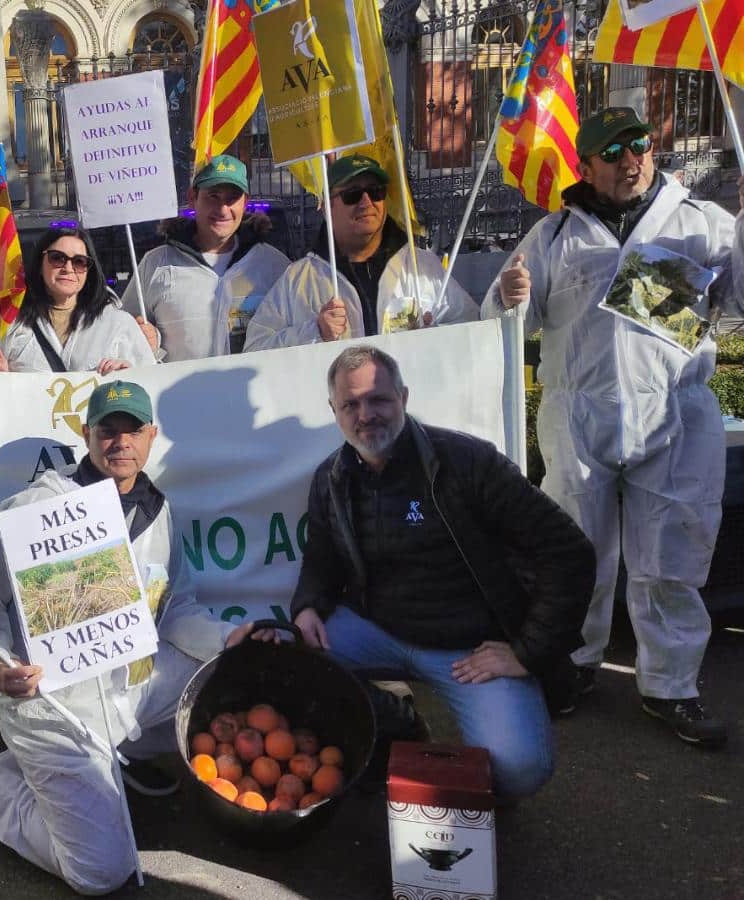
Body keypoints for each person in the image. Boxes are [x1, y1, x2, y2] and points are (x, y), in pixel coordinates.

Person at [486, 107, 744, 747]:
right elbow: (502, 315)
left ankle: (671, 687)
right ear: (586, 165)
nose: (632, 161)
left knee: (672, 557)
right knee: (578, 554)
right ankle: (573, 667)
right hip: (580, 419)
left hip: (675, 418)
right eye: (614, 153)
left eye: (640, 147)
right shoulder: (552, 237)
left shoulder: (703, 224)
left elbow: (738, 302)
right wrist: (510, 296)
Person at [0, 380, 270, 894]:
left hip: (130, 685)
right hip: (54, 703)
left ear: (151, 436)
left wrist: (228, 639)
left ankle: (127, 760)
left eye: (133, 430)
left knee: (227, 675)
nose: (120, 441)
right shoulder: (36, 508)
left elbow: (174, 607)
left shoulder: (160, 510)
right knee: (100, 874)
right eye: (108, 430)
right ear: (87, 434)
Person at [291, 346, 595, 800]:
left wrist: (527, 651)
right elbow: (320, 558)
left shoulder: (468, 462)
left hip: (466, 651)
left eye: (379, 399)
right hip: (378, 628)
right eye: (351, 404)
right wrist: (308, 608)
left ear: (404, 397)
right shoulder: (330, 477)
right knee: (290, 667)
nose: (366, 414)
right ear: (334, 411)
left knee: (520, 768)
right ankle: (396, 723)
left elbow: (569, 551)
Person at [245, 154, 477, 351]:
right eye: (352, 194)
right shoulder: (298, 279)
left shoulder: (422, 267)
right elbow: (256, 347)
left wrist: (435, 335)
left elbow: (473, 324)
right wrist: (313, 332)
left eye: (375, 191)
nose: (366, 202)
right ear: (327, 207)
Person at [120, 154, 290, 359]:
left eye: (232, 199)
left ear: (245, 203)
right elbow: (121, 334)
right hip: (180, 391)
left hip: (254, 389)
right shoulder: (156, 263)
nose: (222, 209)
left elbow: (294, 332)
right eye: (213, 196)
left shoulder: (273, 264)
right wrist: (145, 340)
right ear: (193, 198)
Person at [0, 226, 154, 374]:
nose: (68, 268)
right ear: (40, 263)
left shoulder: (118, 323)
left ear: (89, 270)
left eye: (79, 261)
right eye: (57, 258)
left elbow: (151, 382)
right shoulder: (10, 322)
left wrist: (129, 374)